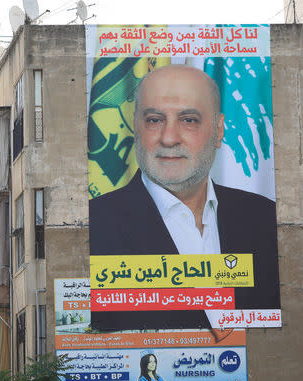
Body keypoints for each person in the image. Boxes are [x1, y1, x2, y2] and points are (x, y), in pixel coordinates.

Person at [90, 64, 280, 330]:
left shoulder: (265, 219)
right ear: (135, 128)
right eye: (154, 120)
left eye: (188, 120)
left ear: (219, 130)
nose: (168, 138)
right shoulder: (92, 226)